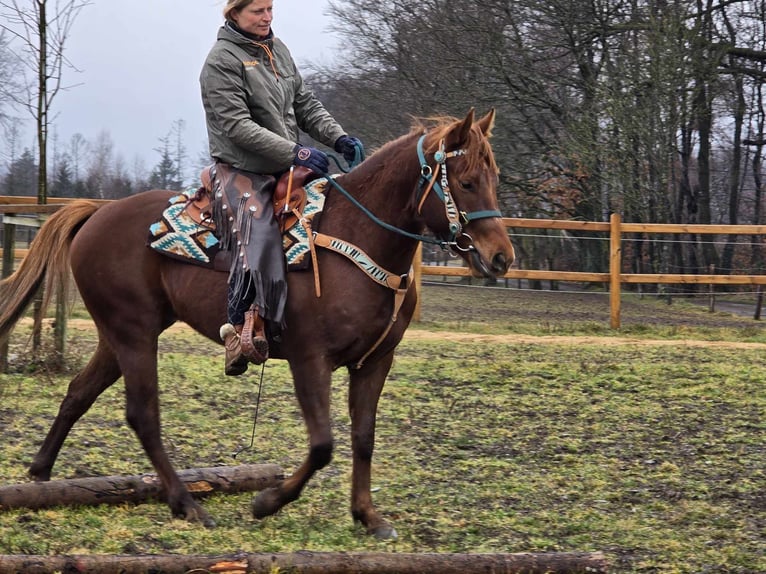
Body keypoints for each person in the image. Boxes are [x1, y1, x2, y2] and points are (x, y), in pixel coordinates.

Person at [200, 0, 362, 376]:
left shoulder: (277, 50)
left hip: (285, 165)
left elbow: (304, 103)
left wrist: (337, 138)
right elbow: (237, 127)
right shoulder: (221, 61)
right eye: (257, 10)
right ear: (234, 14)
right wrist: (297, 150)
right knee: (259, 232)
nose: (267, 17)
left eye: (270, 9)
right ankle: (239, 327)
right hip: (242, 169)